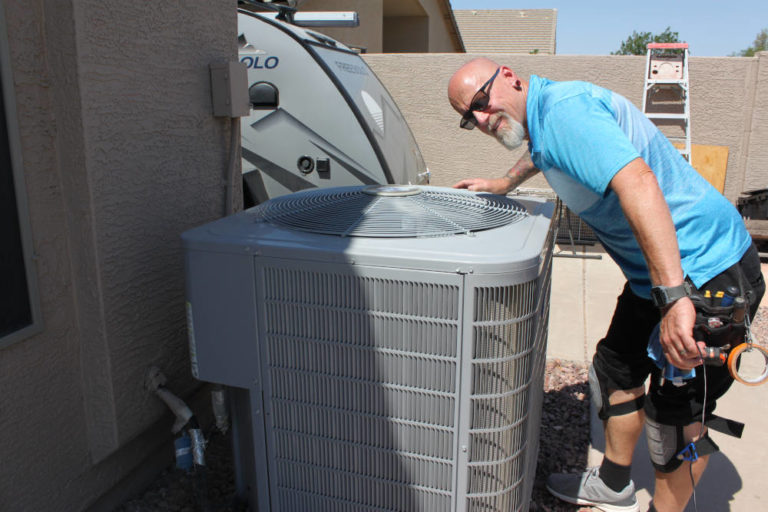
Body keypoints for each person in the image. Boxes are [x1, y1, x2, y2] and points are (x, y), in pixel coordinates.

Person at [448, 57, 765, 512]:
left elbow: (639, 182)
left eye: (481, 101)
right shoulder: (543, 117)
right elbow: (544, 150)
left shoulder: (565, 113)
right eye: (468, 117)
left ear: (510, 77)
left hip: (704, 272)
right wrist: (504, 181)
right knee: (616, 365)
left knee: (674, 418)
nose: (479, 118)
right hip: (654, 276)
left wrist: (675, 298)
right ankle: (615, 484)